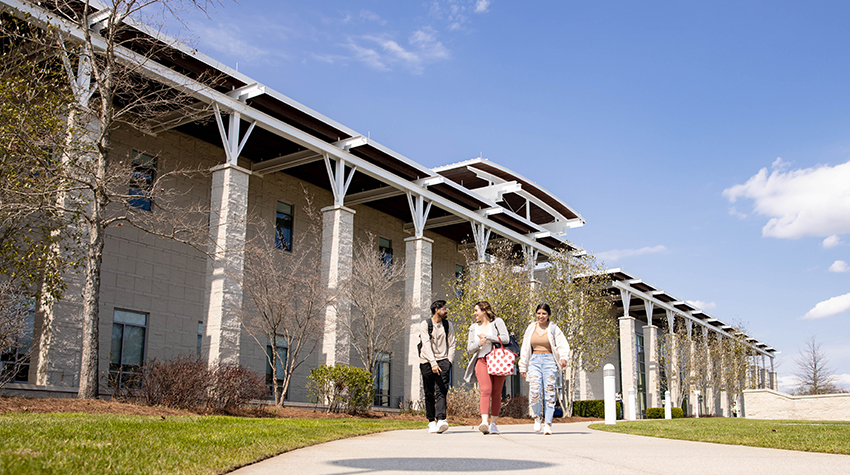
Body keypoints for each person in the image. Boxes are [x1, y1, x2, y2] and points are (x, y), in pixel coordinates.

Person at [518, 303, 570, 435]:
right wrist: (523, 366)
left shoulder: (553, 328)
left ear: (548, 315)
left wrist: (563, 358)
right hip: (534, 361)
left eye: (544, 314)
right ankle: (537, 417)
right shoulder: (531, 328)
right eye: (539, 313)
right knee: (535, 392)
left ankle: (548, 423)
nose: (541, 316)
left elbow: (562, 345)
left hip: (549, 362)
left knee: (550, 393)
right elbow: (525, 348)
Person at [463, 301, 510, 435]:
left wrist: (488, 337)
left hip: (498, 360)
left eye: (476, 310)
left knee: (496, 393)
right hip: (482, 361)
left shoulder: (497, 322)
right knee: (486, 390)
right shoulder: (473, 327)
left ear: (484, 311)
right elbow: (470, 348)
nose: (474, 313)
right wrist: (479, 343)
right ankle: (484, 422)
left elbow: (505, 338)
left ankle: (493, 424)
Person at [419, 300, 456, 434]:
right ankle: (431, 421)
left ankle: (441, 419)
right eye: (444, 309)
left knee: (441, 391)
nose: (446, 311)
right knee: (429, 392)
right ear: (436, 310)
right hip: (426, 361)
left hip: (443, 361)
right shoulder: (425, 324)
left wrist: (449, 361)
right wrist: (433, 363)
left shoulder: (447, 325)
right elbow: (426, 344)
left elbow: (452, 344)